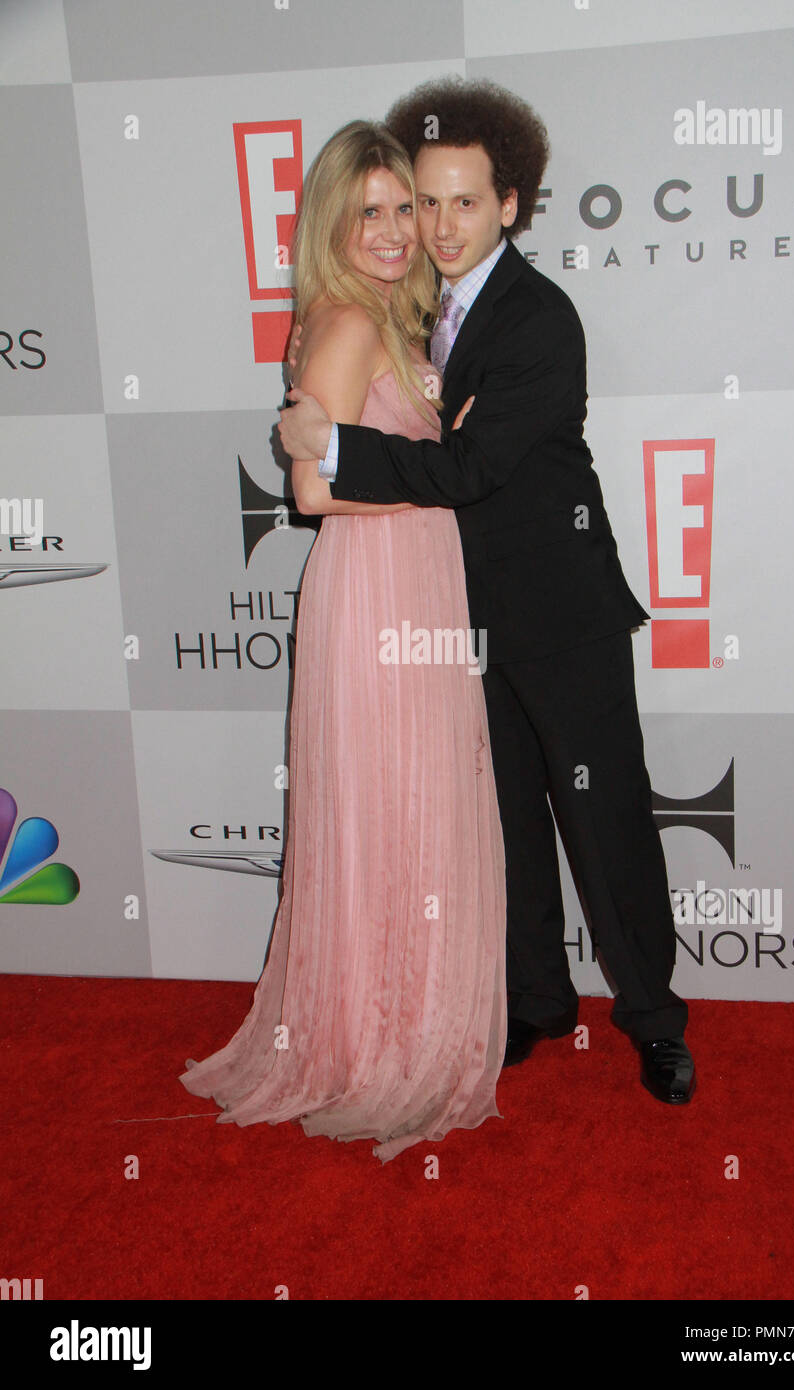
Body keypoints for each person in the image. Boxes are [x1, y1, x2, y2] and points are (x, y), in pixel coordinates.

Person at [278, 77, 696, 1105]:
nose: (438, 223)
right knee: (499, 822)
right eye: (424, 201)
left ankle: (652, 1019)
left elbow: (465, 472)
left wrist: (329, 445)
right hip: (456, 620)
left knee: (602, 829)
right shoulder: (414, 310)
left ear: (509, 203)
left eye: (463, 201)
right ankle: (533, 998)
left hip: (559, 617)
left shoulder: (538, 320)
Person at [179, 120, 508, 1162]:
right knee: (388, 808)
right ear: (332, 222)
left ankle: (404, 1026)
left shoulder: (392, 322)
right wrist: (433, 496)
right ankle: (376, 1043)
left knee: (413, 807)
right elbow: (312, 490)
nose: (393, 229)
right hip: (376, 596)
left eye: (404, 207)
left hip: (413, 585)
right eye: (368, 211)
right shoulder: (345, 325)